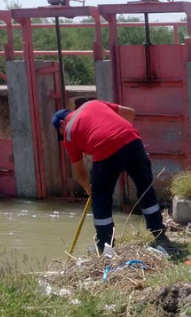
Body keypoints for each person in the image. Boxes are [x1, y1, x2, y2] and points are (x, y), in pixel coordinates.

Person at [52, 101, 168, 253]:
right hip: (132, 140)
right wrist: (118, 135)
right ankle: (159, 234)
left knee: (101, 201)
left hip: (105, 149)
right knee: (145, 189)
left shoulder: (68, 132)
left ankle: (105, 248)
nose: (62, 135)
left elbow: (80, 173)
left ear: (62, 123)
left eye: (59, 132)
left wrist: (90, 189)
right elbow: (130, 112)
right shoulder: (92, 103)